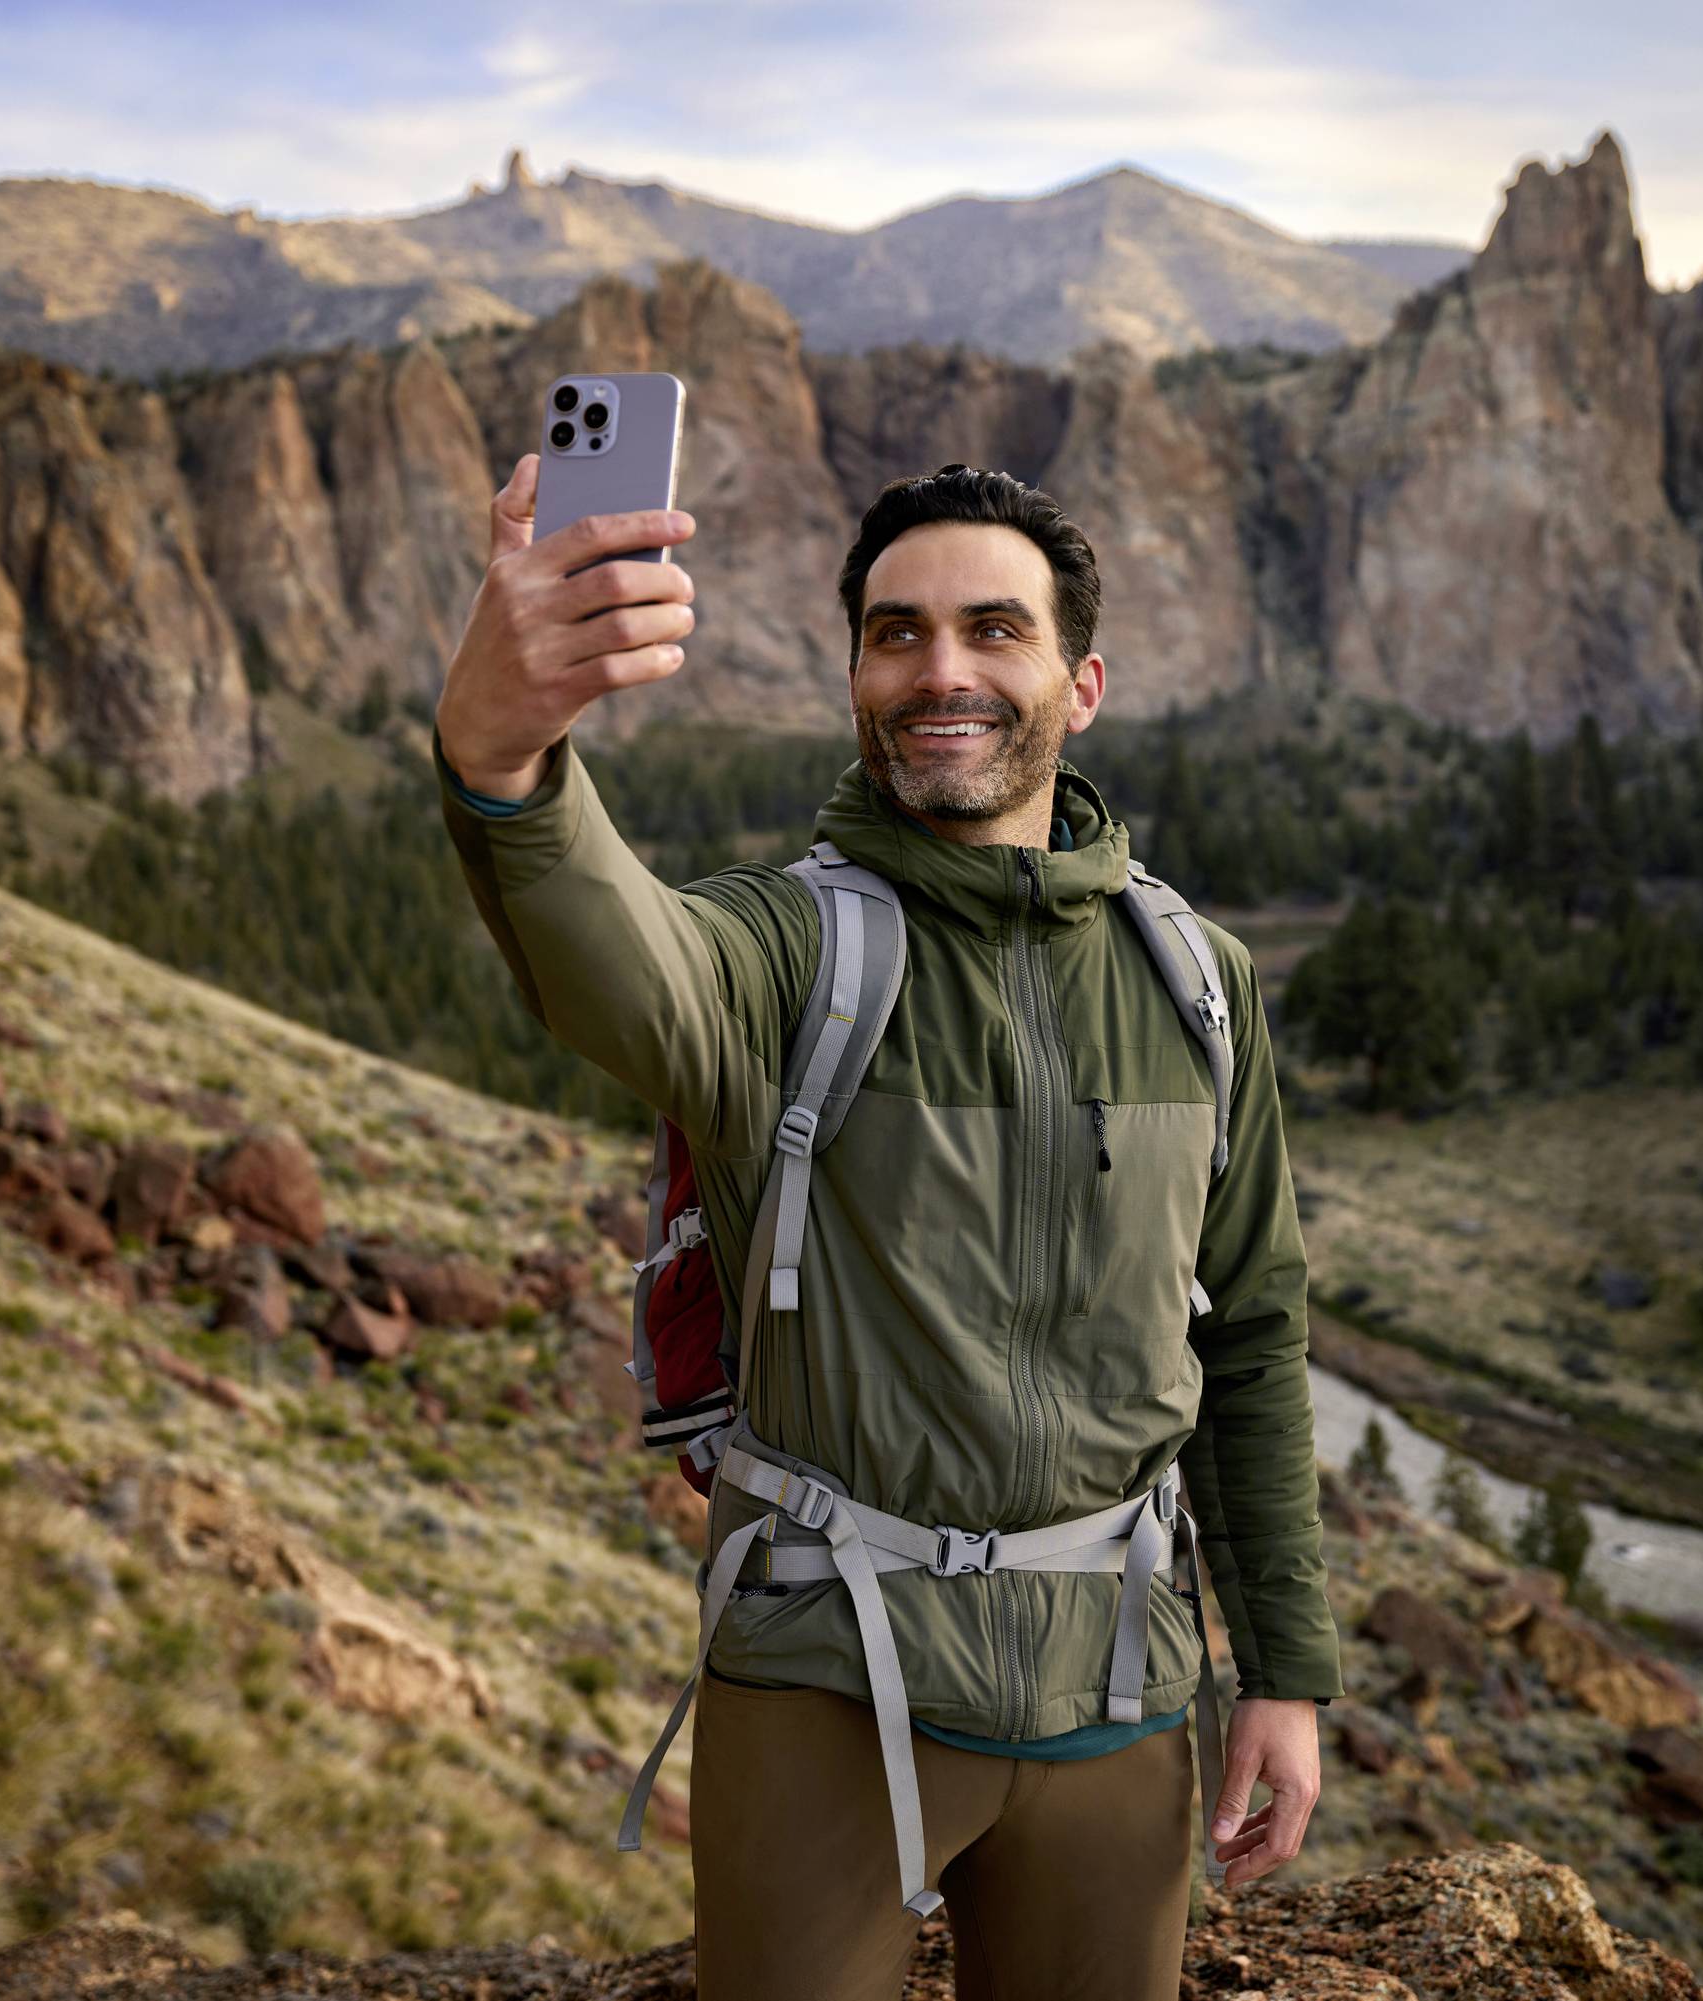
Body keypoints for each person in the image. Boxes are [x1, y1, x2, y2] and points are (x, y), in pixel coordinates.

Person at [433, 455, 1338, 2001]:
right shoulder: (785, 949)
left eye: (995, 629)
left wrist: (1287, 1671)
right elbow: (610, 962)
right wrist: (501, 753)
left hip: (1117, 1685)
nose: (945, 673)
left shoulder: (1199, 979)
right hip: (821, 1677)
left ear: (1083, 680)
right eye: (896, 633)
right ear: (855, 673)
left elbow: (1249, 1331)